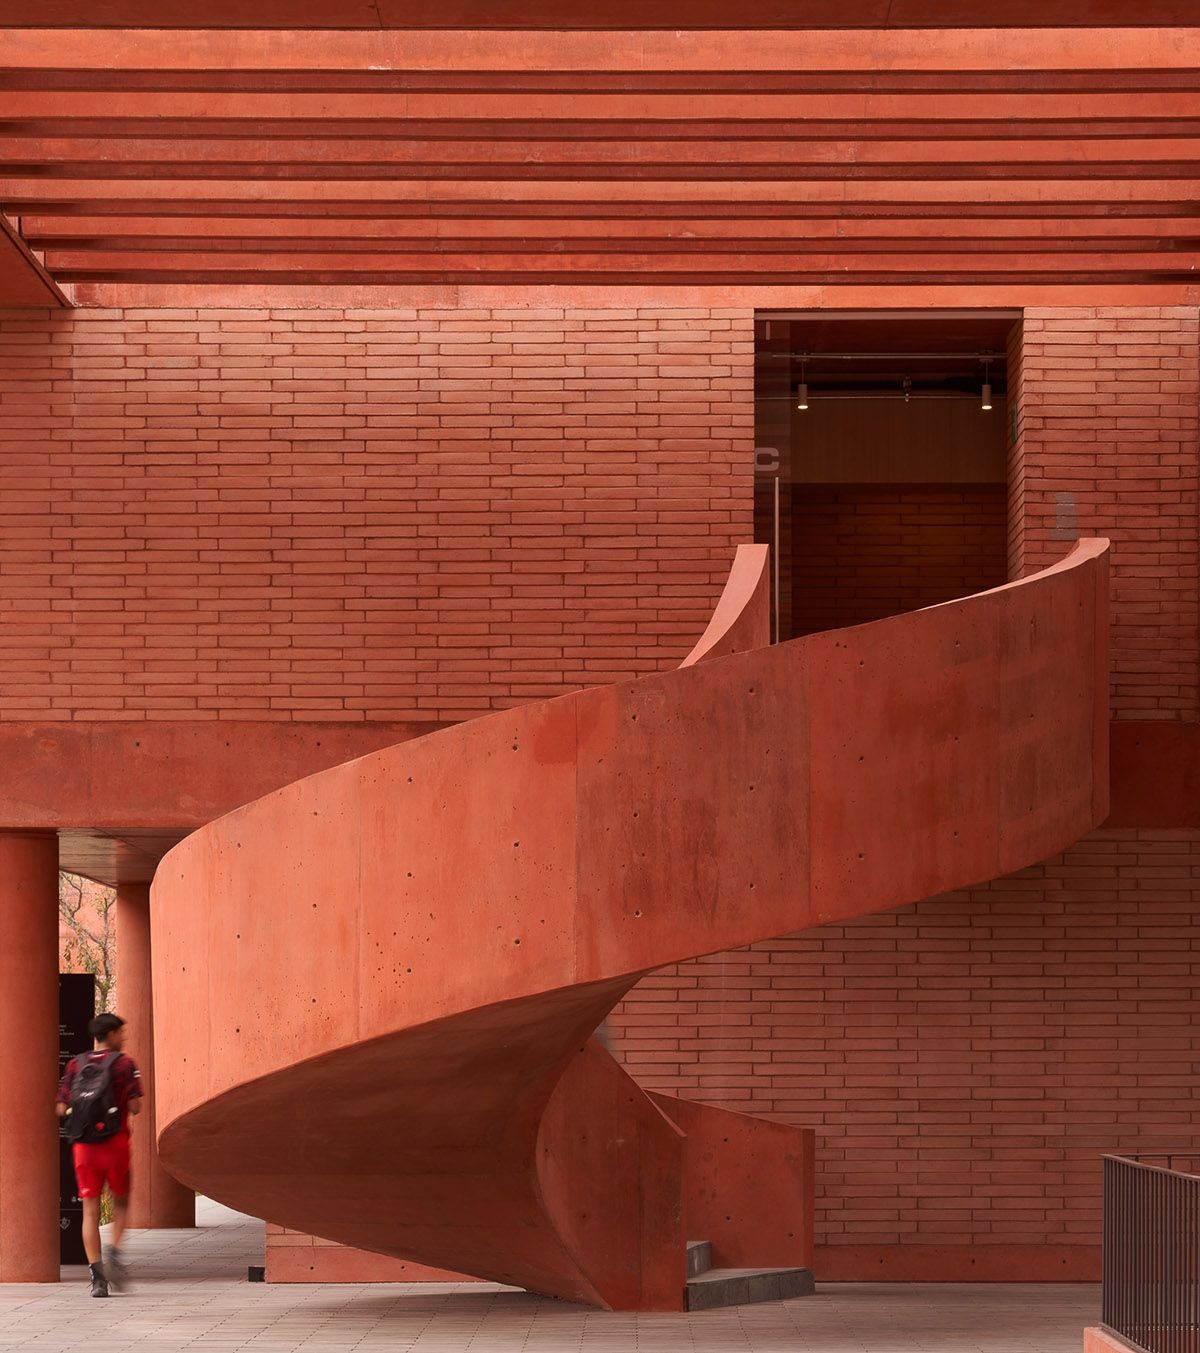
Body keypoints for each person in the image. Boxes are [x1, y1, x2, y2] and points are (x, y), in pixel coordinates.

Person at [56, 1013, 143, 1297]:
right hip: (115, 1145)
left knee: (90, 1210)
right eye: (122, 1033)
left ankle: (97, 1278)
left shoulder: (75, 1064)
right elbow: (136, 1107)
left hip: (84, 1148)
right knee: (121, 1201)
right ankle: (114, 1250)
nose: (124, 1038)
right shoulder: (125, 1064)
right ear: (112, 1034)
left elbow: (60, 1108)